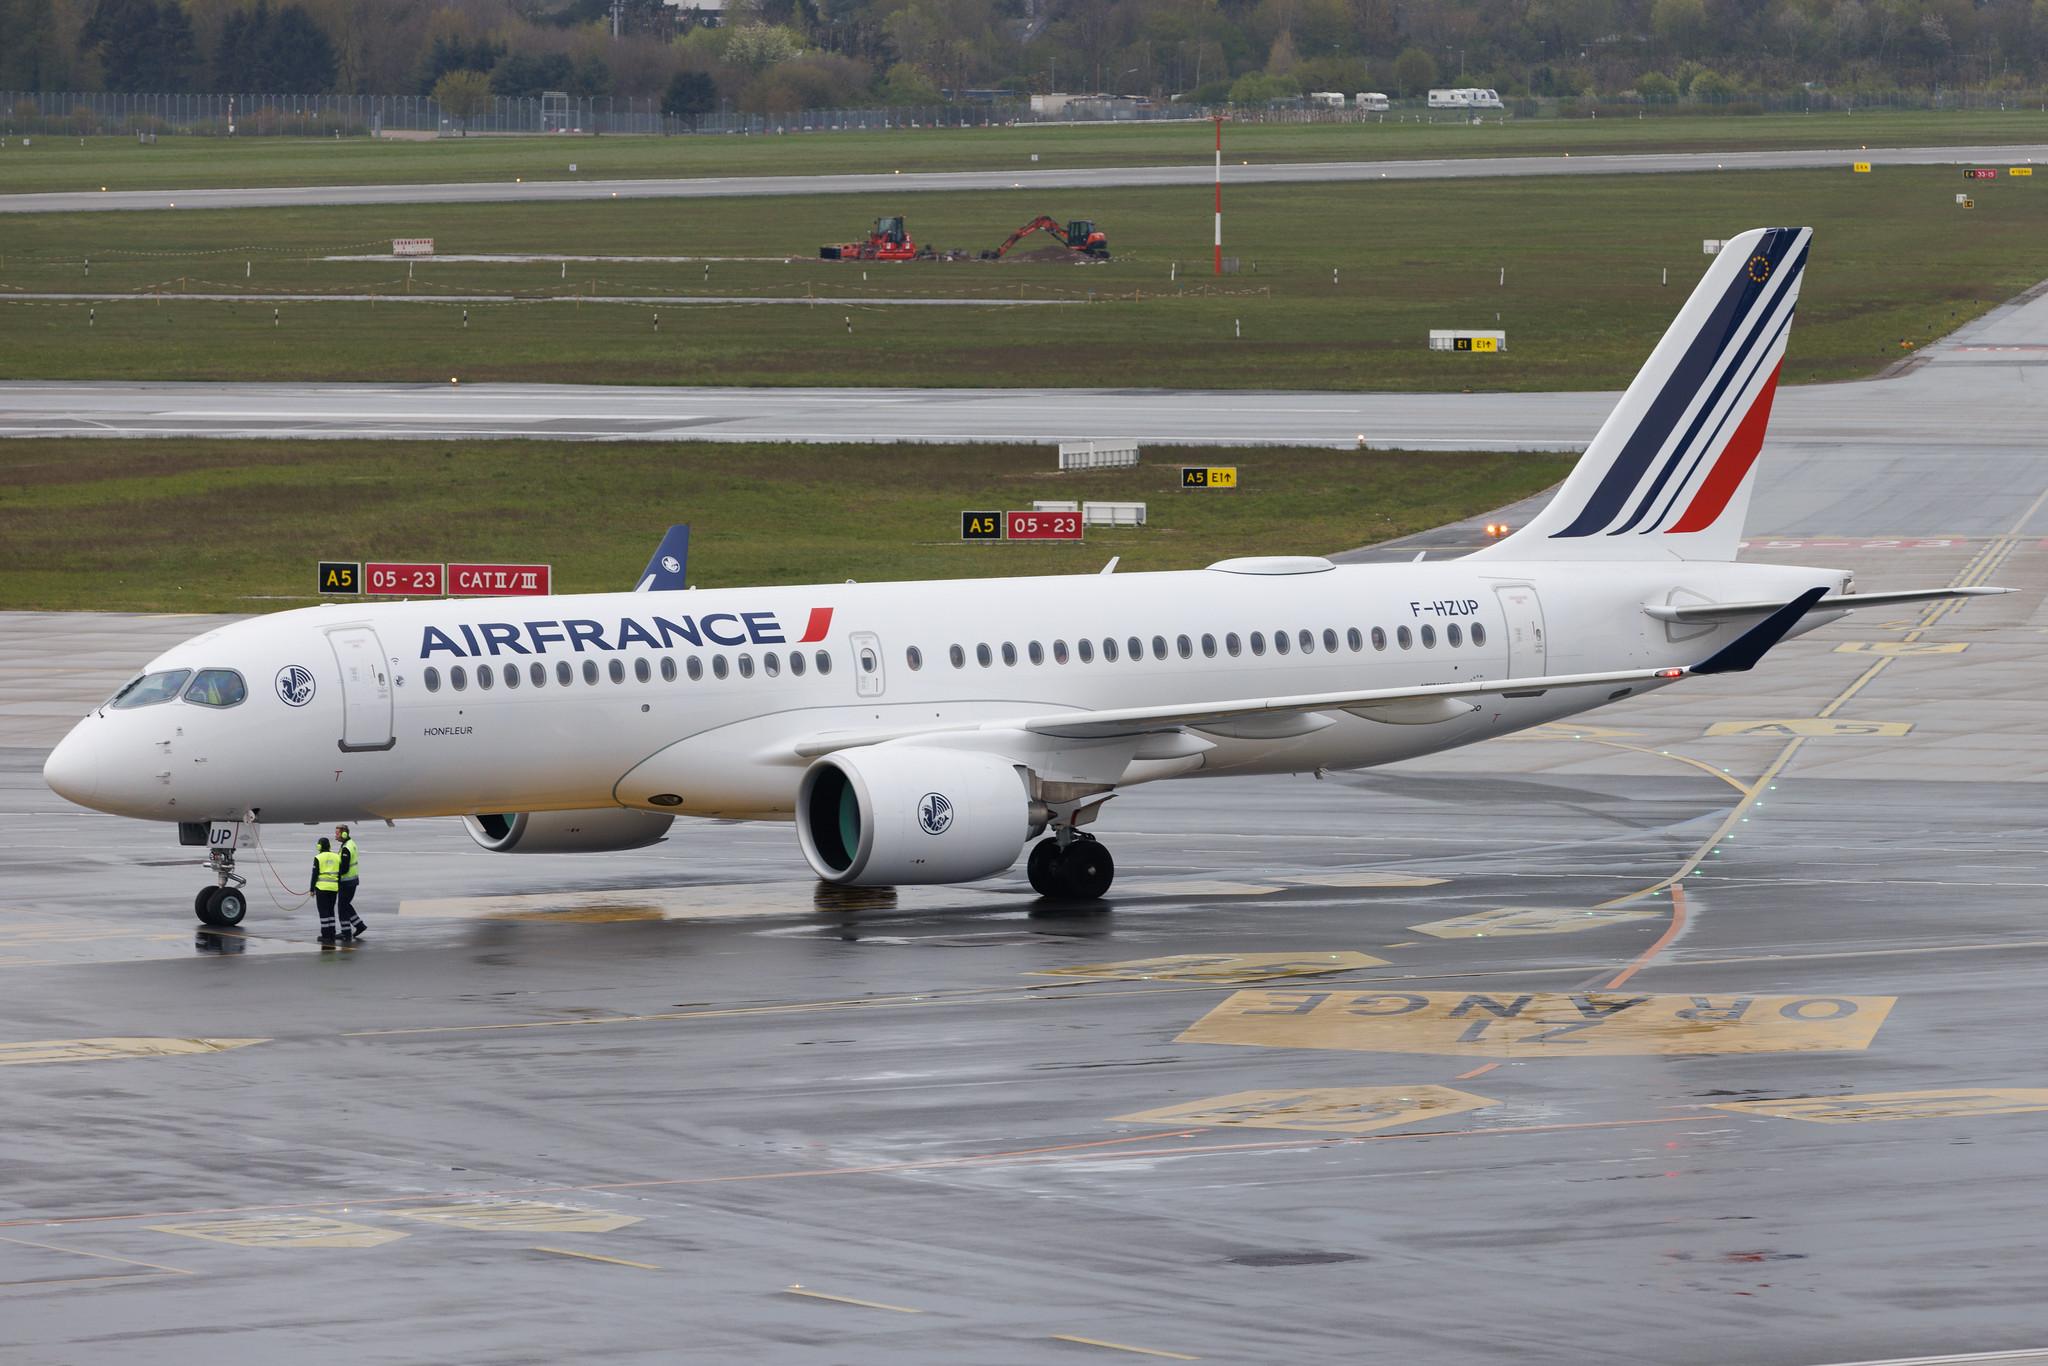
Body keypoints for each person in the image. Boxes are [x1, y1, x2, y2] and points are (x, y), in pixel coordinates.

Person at [335, 824, 367, 940]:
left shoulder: (346, 848)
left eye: (337, 833)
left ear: (344, 834)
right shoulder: (350, 843)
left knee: (342, 907)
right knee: (346, 905)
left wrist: (335, 876)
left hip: (346, 882)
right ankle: (360, 925)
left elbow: (344, 868)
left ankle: (346, 932)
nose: (336, 835)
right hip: (352, 881)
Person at [310, 837, 342, 944]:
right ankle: (332, 934)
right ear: (329, 846)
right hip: (334, 888)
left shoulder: (318, 857)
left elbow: (315, 875)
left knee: (323, 912)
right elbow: (340, 873)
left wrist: (311, 889)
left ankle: (325, 935)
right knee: (331, 911)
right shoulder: (337, 857)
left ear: (319, 846)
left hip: (322, 888)